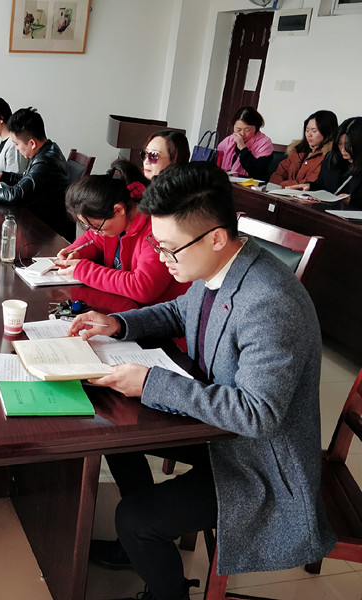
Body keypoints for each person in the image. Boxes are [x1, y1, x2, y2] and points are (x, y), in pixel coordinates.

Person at [68, 162, 336, 600]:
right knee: (116, 436)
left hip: (260, 461)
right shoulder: (220, 265)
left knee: (135, 518)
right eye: (156, 244)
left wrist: (151, 383)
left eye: (169, 248)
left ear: (215, 237)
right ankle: (143, 546)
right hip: (219, 431)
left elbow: (257, 415)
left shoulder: (270, 302)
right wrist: (118, 324)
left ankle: (161, 581)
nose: (161, 258)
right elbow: (179, 312)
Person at [54, 171, 188, 305]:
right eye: (88, 226)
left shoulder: (156, 232)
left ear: (118, 210)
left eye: (97, 227)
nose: (95, 232)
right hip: (126, 304)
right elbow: (92, 240)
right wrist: (75, 251)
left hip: (161, 310)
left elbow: (143, 287)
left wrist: (83, 271)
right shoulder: (114, 224)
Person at [0, 107, 73, 240]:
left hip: (48, 231)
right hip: (40, 220)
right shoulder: (48, 149)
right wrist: (5, 176)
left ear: (32, 143)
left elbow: (15, 195)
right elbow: (29, 178)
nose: (16, 148)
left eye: (16, 144)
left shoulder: (45, 162)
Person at [292, 116, 362, 198]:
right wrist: (310, 187)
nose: (343, 149)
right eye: (339, 143)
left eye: (348, 145)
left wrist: (352, 200)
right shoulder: (331, 158)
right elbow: (322, 186)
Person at [269, 110, 338, 187]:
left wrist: (283, 185)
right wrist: (277, 186)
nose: (309, 135)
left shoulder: (329, 157)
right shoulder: (298, 150)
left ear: (327, 132)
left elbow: (310, 183)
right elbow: (279, 173)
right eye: (307, 130)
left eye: (314, 131)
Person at [216, 106, 273, 180]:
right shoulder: (228, 141)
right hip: (227, 181)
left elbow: (257, 171)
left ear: (256, 128)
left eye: (247, 130)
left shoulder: (265, 143)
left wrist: (242, 148)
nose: (242, 133)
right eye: (238, 129)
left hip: (253, 183)